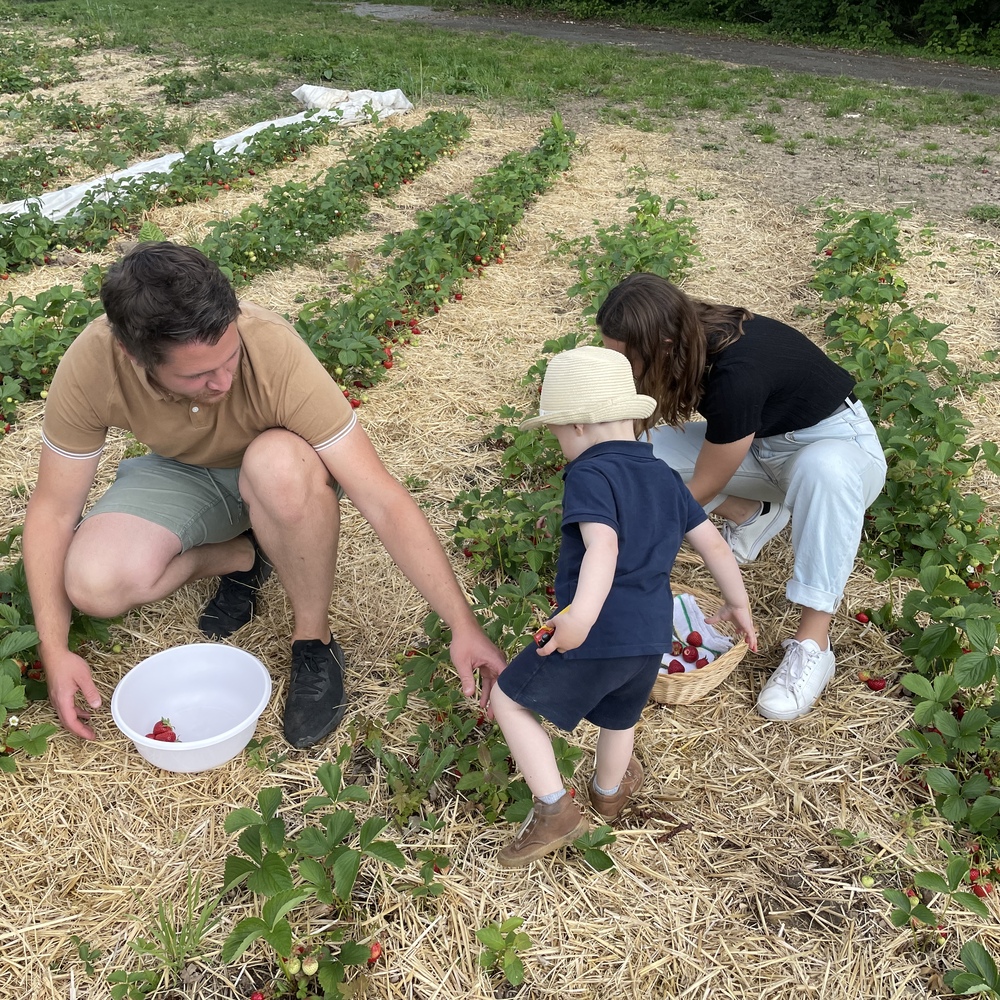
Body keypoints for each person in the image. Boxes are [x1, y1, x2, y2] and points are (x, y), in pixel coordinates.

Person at [22, 241, 505, 748]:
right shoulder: (94, 363)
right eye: (198, 375)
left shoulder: (271, 347)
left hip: (276, 468)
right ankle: (242, 555)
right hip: (182, 470)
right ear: (132, 353)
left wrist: (462, 625)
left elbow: (382, 497)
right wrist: (53, 650)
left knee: (276, 465)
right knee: (95, 586)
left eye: (229, 358)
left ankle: (313, 642)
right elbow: (54, 511)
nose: (224, 380)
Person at [489, 346, 757, 867]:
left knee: (508, 700)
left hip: (600, 630)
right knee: (620, 715)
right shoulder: (663, 477)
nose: (562, 444)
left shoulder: (591, 474)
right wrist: (738, 602)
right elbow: (716, 545)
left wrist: (579, 619)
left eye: (559, 433)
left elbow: (602, 548)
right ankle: (608, 796)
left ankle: (554, 810)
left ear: (581, 428)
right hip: (651, 636)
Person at [595, 272, 887, 721]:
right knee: (636, 454)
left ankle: (813, 643)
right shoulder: (690, 336)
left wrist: (640, 538)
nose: (619, 366)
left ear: (663, 344)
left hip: (837, 449)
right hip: (760, 450)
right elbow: (632, 432)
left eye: (626, 358)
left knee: (822, 470)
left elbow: (704, 485)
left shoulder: (737, 372)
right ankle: (751, 514)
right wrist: (597, 495)